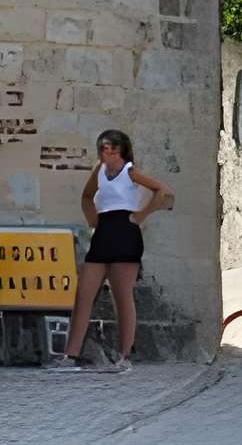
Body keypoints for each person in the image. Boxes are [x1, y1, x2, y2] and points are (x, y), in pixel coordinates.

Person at [53, 128, 171, 373]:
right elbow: (87, 196)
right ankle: (70, 356)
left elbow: (163, 191)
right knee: (84, 293)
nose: (107, 153)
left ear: (122, 151)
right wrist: (92, 219)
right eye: (103, 149)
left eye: (112, 149)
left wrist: (141, 215)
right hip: (104, 231)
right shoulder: (99, 171)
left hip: (125, 231)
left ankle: (124, 357)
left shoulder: (130, 172)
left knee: (122, 295)